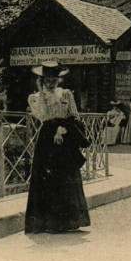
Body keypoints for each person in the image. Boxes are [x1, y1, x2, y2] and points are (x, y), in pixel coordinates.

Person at [25, 61, 90, 234]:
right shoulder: (35, 97)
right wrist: (41, 92)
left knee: (66, 176)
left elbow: (73, 116)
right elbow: (43, 116)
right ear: (42, 79)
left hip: (65, 135)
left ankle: (68, 221)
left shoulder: (66, 94)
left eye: (54, 78)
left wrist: (63, 130)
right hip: (47, 139)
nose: (50, 82)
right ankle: (48, 222)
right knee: (47, 177)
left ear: (58, 79)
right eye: (46, 78)